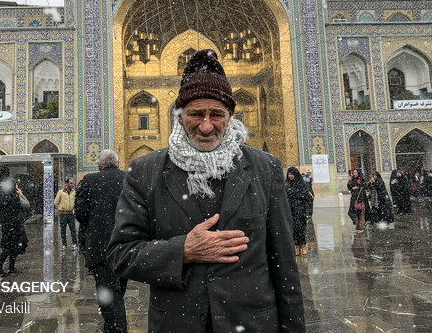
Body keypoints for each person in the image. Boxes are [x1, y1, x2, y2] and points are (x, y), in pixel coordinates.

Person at [108, 49, 306, 333]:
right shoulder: (146, 171)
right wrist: (182, 251)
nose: (206, 125)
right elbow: (120, 254)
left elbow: (284, 266)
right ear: (178, 116)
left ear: (231, 116)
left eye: (216, 114)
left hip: (252, 323)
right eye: (196, 114)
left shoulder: (264, 168)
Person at [75, 149, 128, 333]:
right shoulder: (128, 179)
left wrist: (95, 224)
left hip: (100, 246)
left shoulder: (90, 180)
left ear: (99, 166)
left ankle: (116, 329)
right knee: (118, 290)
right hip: (125, 245)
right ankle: (112, 327)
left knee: (109, 294)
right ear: (118, 163)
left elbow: (80, 213)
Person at [0, 177, 29, 276]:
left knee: (8, 247)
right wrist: (21, 194)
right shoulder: (14, 196)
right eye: (16, 185)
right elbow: (26, 204)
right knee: (11, 248)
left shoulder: (3, 196)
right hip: (15, 225)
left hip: (8, 226)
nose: (17, 186)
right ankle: (5, 267)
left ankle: (4, 267)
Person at [285, 166, 312, 256]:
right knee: (294, 229)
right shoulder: (287, 185)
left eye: (291, 174)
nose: (290, 176)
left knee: (301, 229)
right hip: (290, 211)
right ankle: (296, 246)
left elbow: (308, 197)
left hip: (300, 210)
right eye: (288, 174)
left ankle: (303, 245)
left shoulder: (301, 184)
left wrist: (301, 198)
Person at [54, 178, 78, 251]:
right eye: (70, 183)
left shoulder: (74, 192)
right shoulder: (61, 192)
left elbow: (76, 201)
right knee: (63, 230)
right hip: (63, 214)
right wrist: (60, 208)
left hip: (71, 214)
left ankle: (74, 244)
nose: (72, 185)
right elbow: (55, 202)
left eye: (72, 183)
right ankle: (64, 245)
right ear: (66, 183)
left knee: (73, 230)